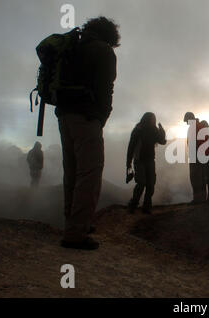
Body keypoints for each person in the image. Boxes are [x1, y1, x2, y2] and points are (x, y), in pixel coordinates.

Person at [56, 16, 119, 250]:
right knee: (89, 173)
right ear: (110, 35)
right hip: (86, 116)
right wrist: (101, 117)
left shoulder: (74, 46)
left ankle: (73, 224)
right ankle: (75, 234)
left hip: (64, 116)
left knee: (71, 171)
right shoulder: (103, 51)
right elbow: (106, 88)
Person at [126, 112, 166, 214]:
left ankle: (146, 207)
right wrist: (128, 164)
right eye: (152, 119)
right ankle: (133, 204)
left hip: (149, 160)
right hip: (139, 160)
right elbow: (130, 148)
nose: (153, 121)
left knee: (150, 184)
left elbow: (162, 141)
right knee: (141, 183)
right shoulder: (138, 130)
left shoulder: (153, 129)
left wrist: (161, 130)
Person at [184, 112, 207, 204]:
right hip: (202, 156)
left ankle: (197, 200)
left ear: (190, 119)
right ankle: (203, 199)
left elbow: (195, 144)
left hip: (196, 156)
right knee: (201, 178)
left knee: (195, 178)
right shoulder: (199, 126)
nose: (186, 123)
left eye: (186, 121)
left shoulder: (194, 127)